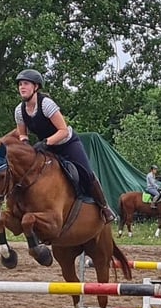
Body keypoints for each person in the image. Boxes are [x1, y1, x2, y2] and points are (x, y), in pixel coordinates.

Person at [13, 68, 116, 224]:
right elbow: (22, 134)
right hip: (47, 148)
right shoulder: (19, 111)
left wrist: (45, 142)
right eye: (20, 84)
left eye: (26, 84)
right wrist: (26, 145)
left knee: (86, 172)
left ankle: (105, 207)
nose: (22, 87)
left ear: (36, 87)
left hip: (67, 144)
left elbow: (63, 130)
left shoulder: (46, 104)